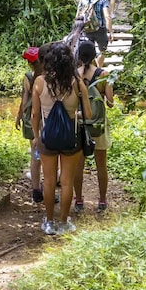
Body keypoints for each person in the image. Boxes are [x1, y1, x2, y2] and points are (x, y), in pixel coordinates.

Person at [31, 41, 91, 235]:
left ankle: (49, 222)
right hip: (70, 139)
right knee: (66, 181)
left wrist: (35, 136)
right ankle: (63, 223)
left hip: (47, 138)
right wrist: (73, 114)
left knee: (48, 181)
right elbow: (88, 114)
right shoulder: (77, 82)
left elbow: (34, 114)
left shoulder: (39, 82)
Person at [73, 40, 114, 213]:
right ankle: (102, 200)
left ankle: (79, 200)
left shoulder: (74, 75)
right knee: (101, 164)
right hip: (98, 125)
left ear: (79, 56)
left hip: (80, 124)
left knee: (78, 165)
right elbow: (111, 103)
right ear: (94, 55)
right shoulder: (104, 74)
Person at [15, 47, 43, 203]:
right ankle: (50, 187)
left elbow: (24, 103)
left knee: (34, 156)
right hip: (44, 121)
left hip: (31, 121)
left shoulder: (28, 77)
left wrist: (19, 117)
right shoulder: (47, 77)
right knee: (48, 156)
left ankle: (36, 190)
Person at [76, 0, 113, 67]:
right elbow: (107, 16)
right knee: (102, 51)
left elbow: (78, 16)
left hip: (86, 29)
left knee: (89, 51)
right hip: (100, 29)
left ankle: (90, 71)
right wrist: (110, 32)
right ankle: (98, 70)